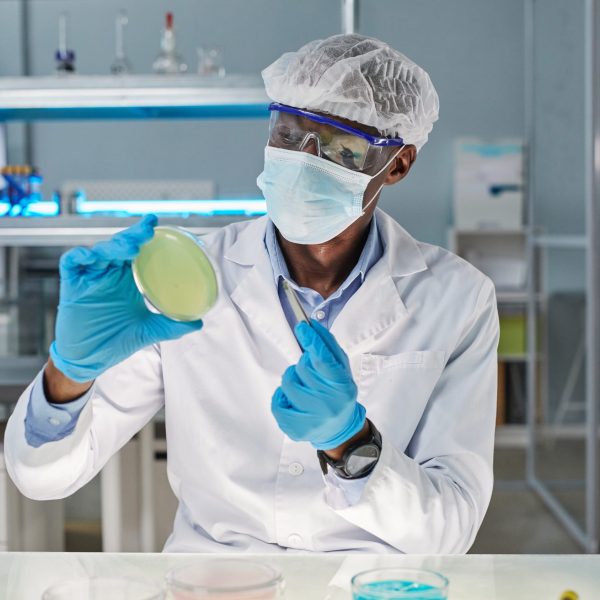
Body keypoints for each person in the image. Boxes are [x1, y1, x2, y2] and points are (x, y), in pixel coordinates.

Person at [5, 34, 499, 554]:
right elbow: (41, 479)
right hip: (210, 582)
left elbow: (451, 529)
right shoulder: (190, 279)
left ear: (397, 164)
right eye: (289, 134)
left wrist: (350, 444)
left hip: (367, 585)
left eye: (339, 146)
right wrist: (70, 373)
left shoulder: (457, 299)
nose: (304, 160)